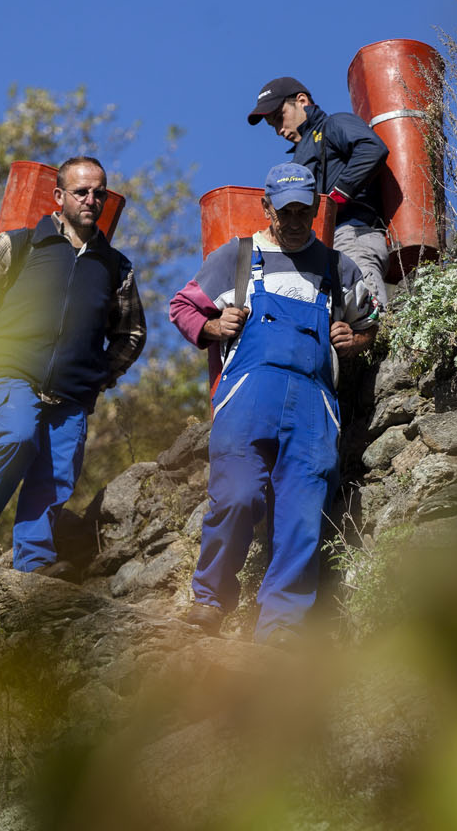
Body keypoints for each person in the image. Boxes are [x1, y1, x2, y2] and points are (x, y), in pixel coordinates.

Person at [169, 162, 377, 642]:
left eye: (306, 208)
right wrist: (211, 327)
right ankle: (210, 601)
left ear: (316, 207)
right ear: (267, 208)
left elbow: (368, 324)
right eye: (286, 210)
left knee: (302, 517)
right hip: (247, 398)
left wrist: (355, 339)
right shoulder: (237, 259)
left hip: (313, 406)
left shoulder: (337, 268)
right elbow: (182, 305)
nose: (297, 218)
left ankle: (280, 627)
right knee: (237, 497)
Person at [0, 156, 146, 576]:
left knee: (55, 477)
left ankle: (33, 566)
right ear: (59, 196)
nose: (91, 200)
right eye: (81, 192)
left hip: (74, 392)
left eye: (98, 193)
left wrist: (100, 375)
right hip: (12, 370)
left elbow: (131, 334)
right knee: (17, 434)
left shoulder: (116, 267)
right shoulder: (23, 244)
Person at [247, 76, 392, 308]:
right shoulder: (300, 157)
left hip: (351, 233)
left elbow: (371, 148)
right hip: (325, 249)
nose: (278, 130)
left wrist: (337, 196)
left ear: (301, 101)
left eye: (279, 117)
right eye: (272, 125)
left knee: (370, 316)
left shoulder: (334, 125)